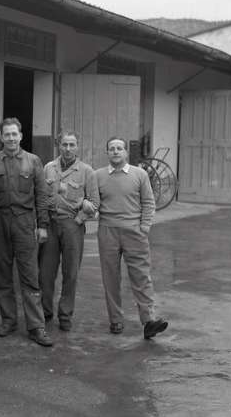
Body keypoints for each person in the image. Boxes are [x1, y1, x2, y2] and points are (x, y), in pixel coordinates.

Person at [0, 117, 53, 347]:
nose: (11, 138)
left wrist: (42, 225)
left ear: (21, 136)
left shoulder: (33, 161)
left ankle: (36, 326)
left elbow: (42, 195)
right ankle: (8, 320)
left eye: (15, 134)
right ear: (1, 137)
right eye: (7, 134)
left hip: (24, 222)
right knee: (1, 274)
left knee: (30, 275)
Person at [94, 137, 168, 340]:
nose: (115, 151)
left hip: (134, 231)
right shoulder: (98, 175)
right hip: (108, 231)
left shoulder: (139, 174)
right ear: (107, 153)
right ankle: (115, 320)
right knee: (110, 277)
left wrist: (144, 227)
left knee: (141, 276)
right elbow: (93, 201)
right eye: (111, 148)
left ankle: (149, 320)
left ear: (126, 152)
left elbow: (149, 202)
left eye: (119, 148)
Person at [39, 131, 98, 331]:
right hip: (51, 223)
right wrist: (42, 224)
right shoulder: (49, 168)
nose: (68, 148)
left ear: (77, 146)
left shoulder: (87, 171)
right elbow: (41, 197)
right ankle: (45, 312)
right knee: (46, 273)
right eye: (64, 144)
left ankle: (65, 315)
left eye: (72, 144)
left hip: (72, 225)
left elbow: (95, 202)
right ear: (59, 145)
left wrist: (79, 220)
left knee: (70, 272)